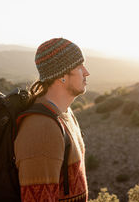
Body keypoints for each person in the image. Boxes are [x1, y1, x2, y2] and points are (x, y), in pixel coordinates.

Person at [15, 38, 90, 202]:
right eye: (79, 66)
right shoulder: (41, 128)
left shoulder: (65, 113)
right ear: (62, 76)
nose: (86, 72)